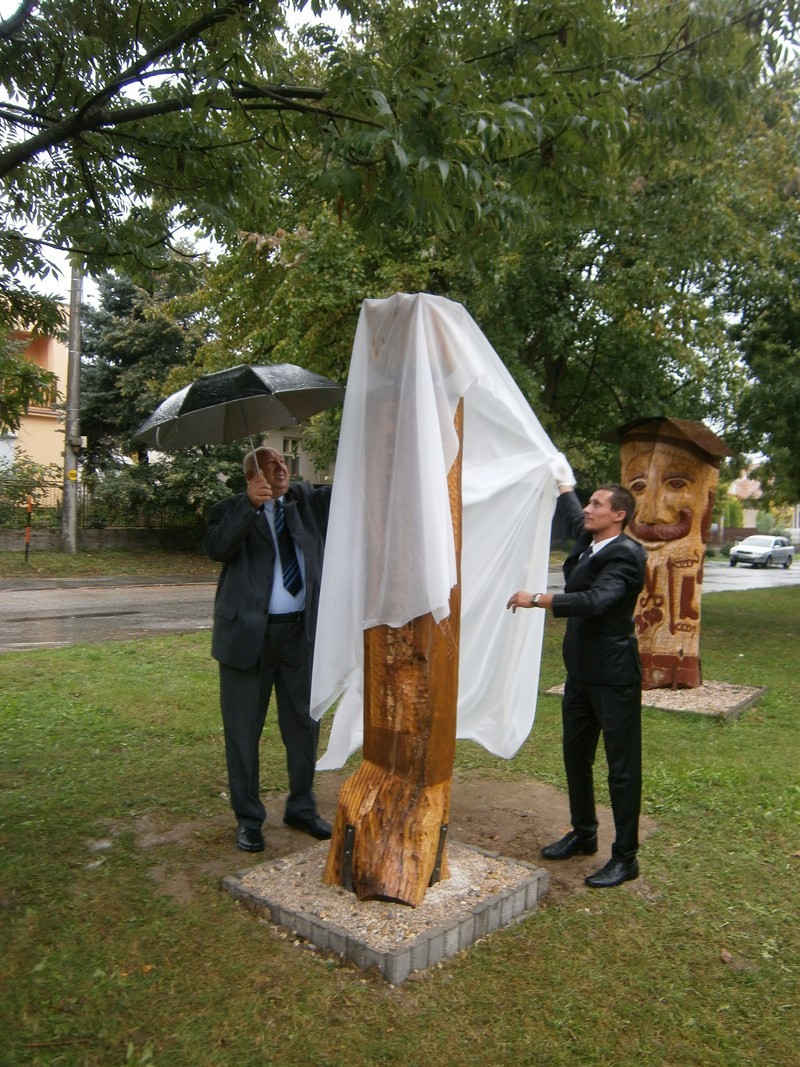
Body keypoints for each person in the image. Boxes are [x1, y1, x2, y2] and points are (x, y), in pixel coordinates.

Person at [507, 482, 647, 888]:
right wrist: (564, 485)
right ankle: (584, 834)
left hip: (615, 678)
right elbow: (573, 518)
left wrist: (538, 599)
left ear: (619, 515)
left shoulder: (627, 554)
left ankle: (626, 858)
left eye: (596, 504)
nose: (588, 509)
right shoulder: (591, 540)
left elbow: (596, 600)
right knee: (575, 757)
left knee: (622, 769)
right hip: (581, 674)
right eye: (588, 502)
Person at [204, 445, 333, 852]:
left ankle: (302, 807)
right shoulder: (228, 509)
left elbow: (349, 492)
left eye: (282, 461)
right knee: (242, 731)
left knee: (304, 726)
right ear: (251, 476)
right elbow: (217, 548)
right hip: (247, 638)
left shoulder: (306, 501)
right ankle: (248, 818)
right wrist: (249, 506)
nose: (281, 466)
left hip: (300, 635)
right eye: (270, 463)